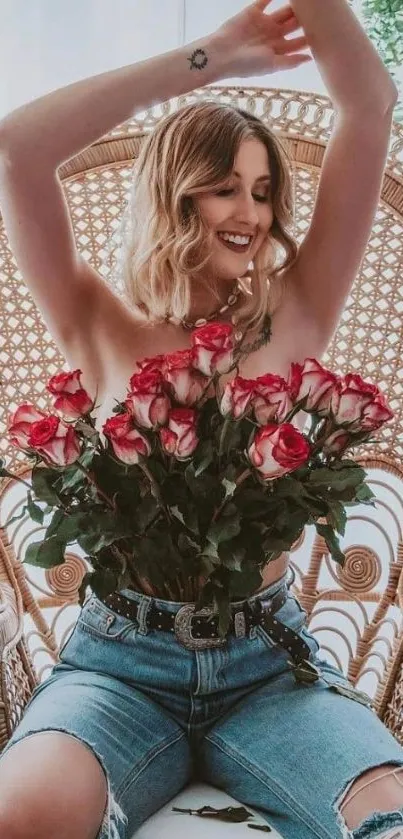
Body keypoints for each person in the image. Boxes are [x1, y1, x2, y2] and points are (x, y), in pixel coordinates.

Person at [0, 1, 401, 837]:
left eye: (260, 190)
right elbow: (17, 146)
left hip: (269, 673)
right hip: (117, 670)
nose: (249, 214)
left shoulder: (295, 314)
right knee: (20, 814)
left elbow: (367, 102)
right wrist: (210, 59)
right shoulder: (95, 321)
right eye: (224, 186)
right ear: (175, 190)